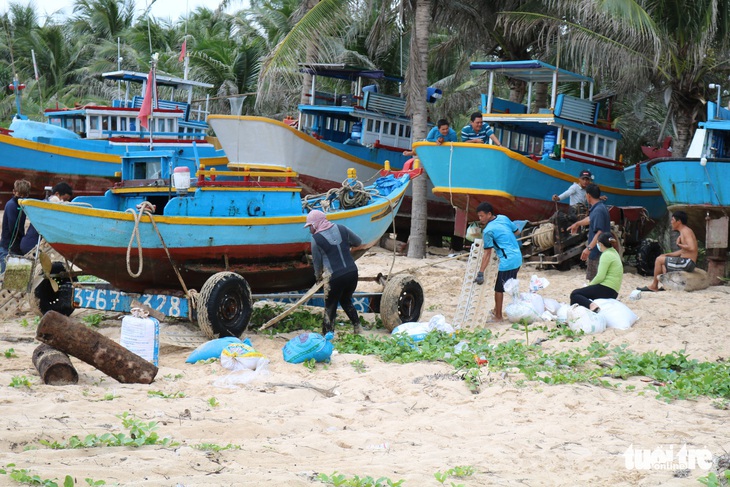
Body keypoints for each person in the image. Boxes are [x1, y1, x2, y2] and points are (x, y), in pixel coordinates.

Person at [306, 209, 363, 335]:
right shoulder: (342, 228)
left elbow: (317, 263)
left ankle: (327, 335)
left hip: (335, 277)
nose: (310, 229)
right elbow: (358, 242)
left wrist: (318, 277)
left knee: (330, 307)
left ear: (316, 224)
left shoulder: (316, 239)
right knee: (346, 300)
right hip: (352, 273)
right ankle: (357, 327)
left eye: (310, 226)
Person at [474, 202, 522, 322]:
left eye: (482, 216)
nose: (480, 219)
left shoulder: (488, 231)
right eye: (479, 216)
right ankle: (500, 310)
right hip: (518, 257)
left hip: (507, 261)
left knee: (499, 289)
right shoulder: (503, 218)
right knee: (511, 284)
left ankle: (498, 316)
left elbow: (487, 253)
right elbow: (517, 232)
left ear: (489, 214)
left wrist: (481, 272)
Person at [638, 210, 698, 292]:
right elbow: (682, 251)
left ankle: (654, 286)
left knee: (659, 260)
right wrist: (666, 255)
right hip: (686, 262)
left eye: (672, 220)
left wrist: (679, 244)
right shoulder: (684, 231)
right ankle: (666, 286)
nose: (671, 222)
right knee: (662, 260)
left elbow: (692, 248)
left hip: (687, 263)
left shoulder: (685, 231)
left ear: (679, 221)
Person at [570, 232, 623, 313]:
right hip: (614, 291)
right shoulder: (614, 253)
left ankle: (592, 306)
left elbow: (600, 276)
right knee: (582, 293)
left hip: (606, 288)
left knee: (575, 294)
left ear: (600, 244)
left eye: (597, 243)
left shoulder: (606, 255)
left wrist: (590, 285)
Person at [567, 184, 611, 281]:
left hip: (597, 253)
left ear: (588, 195)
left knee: (594, 282)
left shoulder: (598, 211)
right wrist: (577, 224)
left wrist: (589, 248)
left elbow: (600, 232)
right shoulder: (600, 207)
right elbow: (590, 219)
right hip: (600, 252)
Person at [20, 182, 74, 255]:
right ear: (57, 194)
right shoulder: (48, 206)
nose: (65, 202)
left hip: (27, 243)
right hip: (32, 246)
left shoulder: (45, 204)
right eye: (64, 199)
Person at [0, 179, 31, 273]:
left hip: (17, 247)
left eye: (24, 195)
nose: (21, 197)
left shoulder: (22, 205)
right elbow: (13, 226)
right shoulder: (11, 205)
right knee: (6, 276)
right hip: (8, 247)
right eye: (19, 195)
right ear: (14, 192)